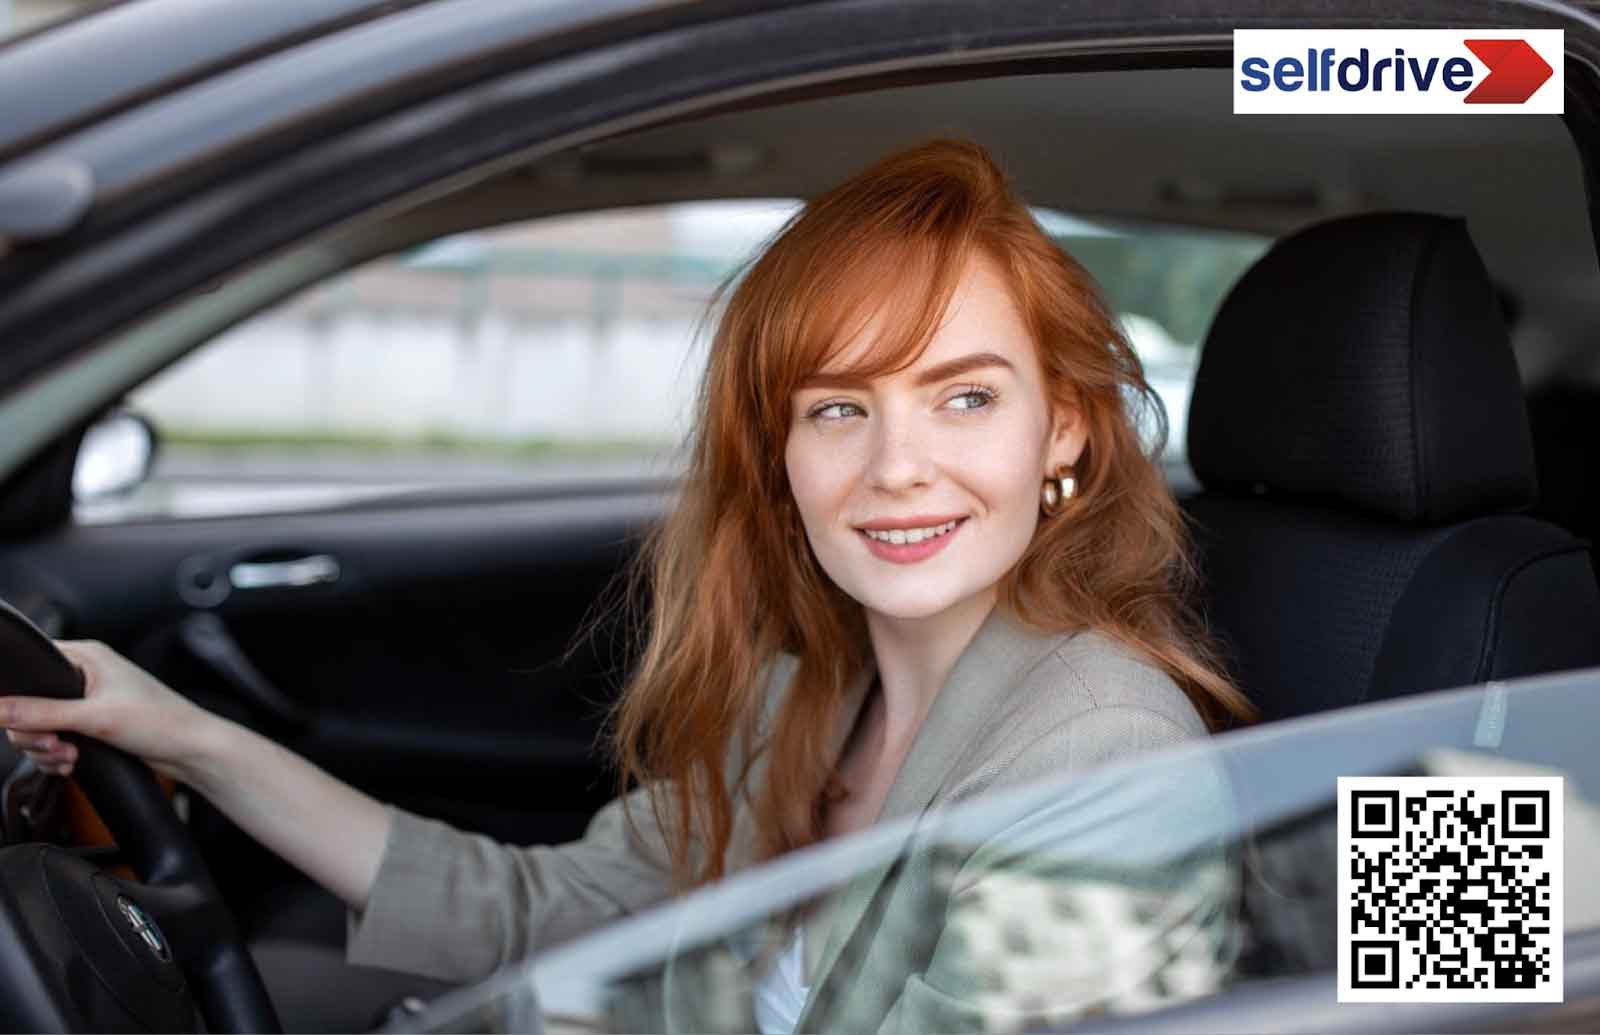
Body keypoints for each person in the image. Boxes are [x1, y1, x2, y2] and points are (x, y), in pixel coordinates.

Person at [0, 137, 1256, 1031]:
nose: (896, 469)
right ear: (781, 454)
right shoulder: (808, 696)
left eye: (965, 397)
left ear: (1067, 434)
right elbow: (532, 912)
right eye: (836, 410)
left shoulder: (1102, 761)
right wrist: (178, 733)